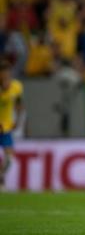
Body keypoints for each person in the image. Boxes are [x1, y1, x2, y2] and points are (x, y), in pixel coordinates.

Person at [0, 60, 24, 190]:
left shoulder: (16, 86)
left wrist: (18, 121)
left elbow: (19, 105)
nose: (5, 75)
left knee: (9, 158)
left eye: (7, 72)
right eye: (3, 72)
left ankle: (1, 178)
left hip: (6, 127)